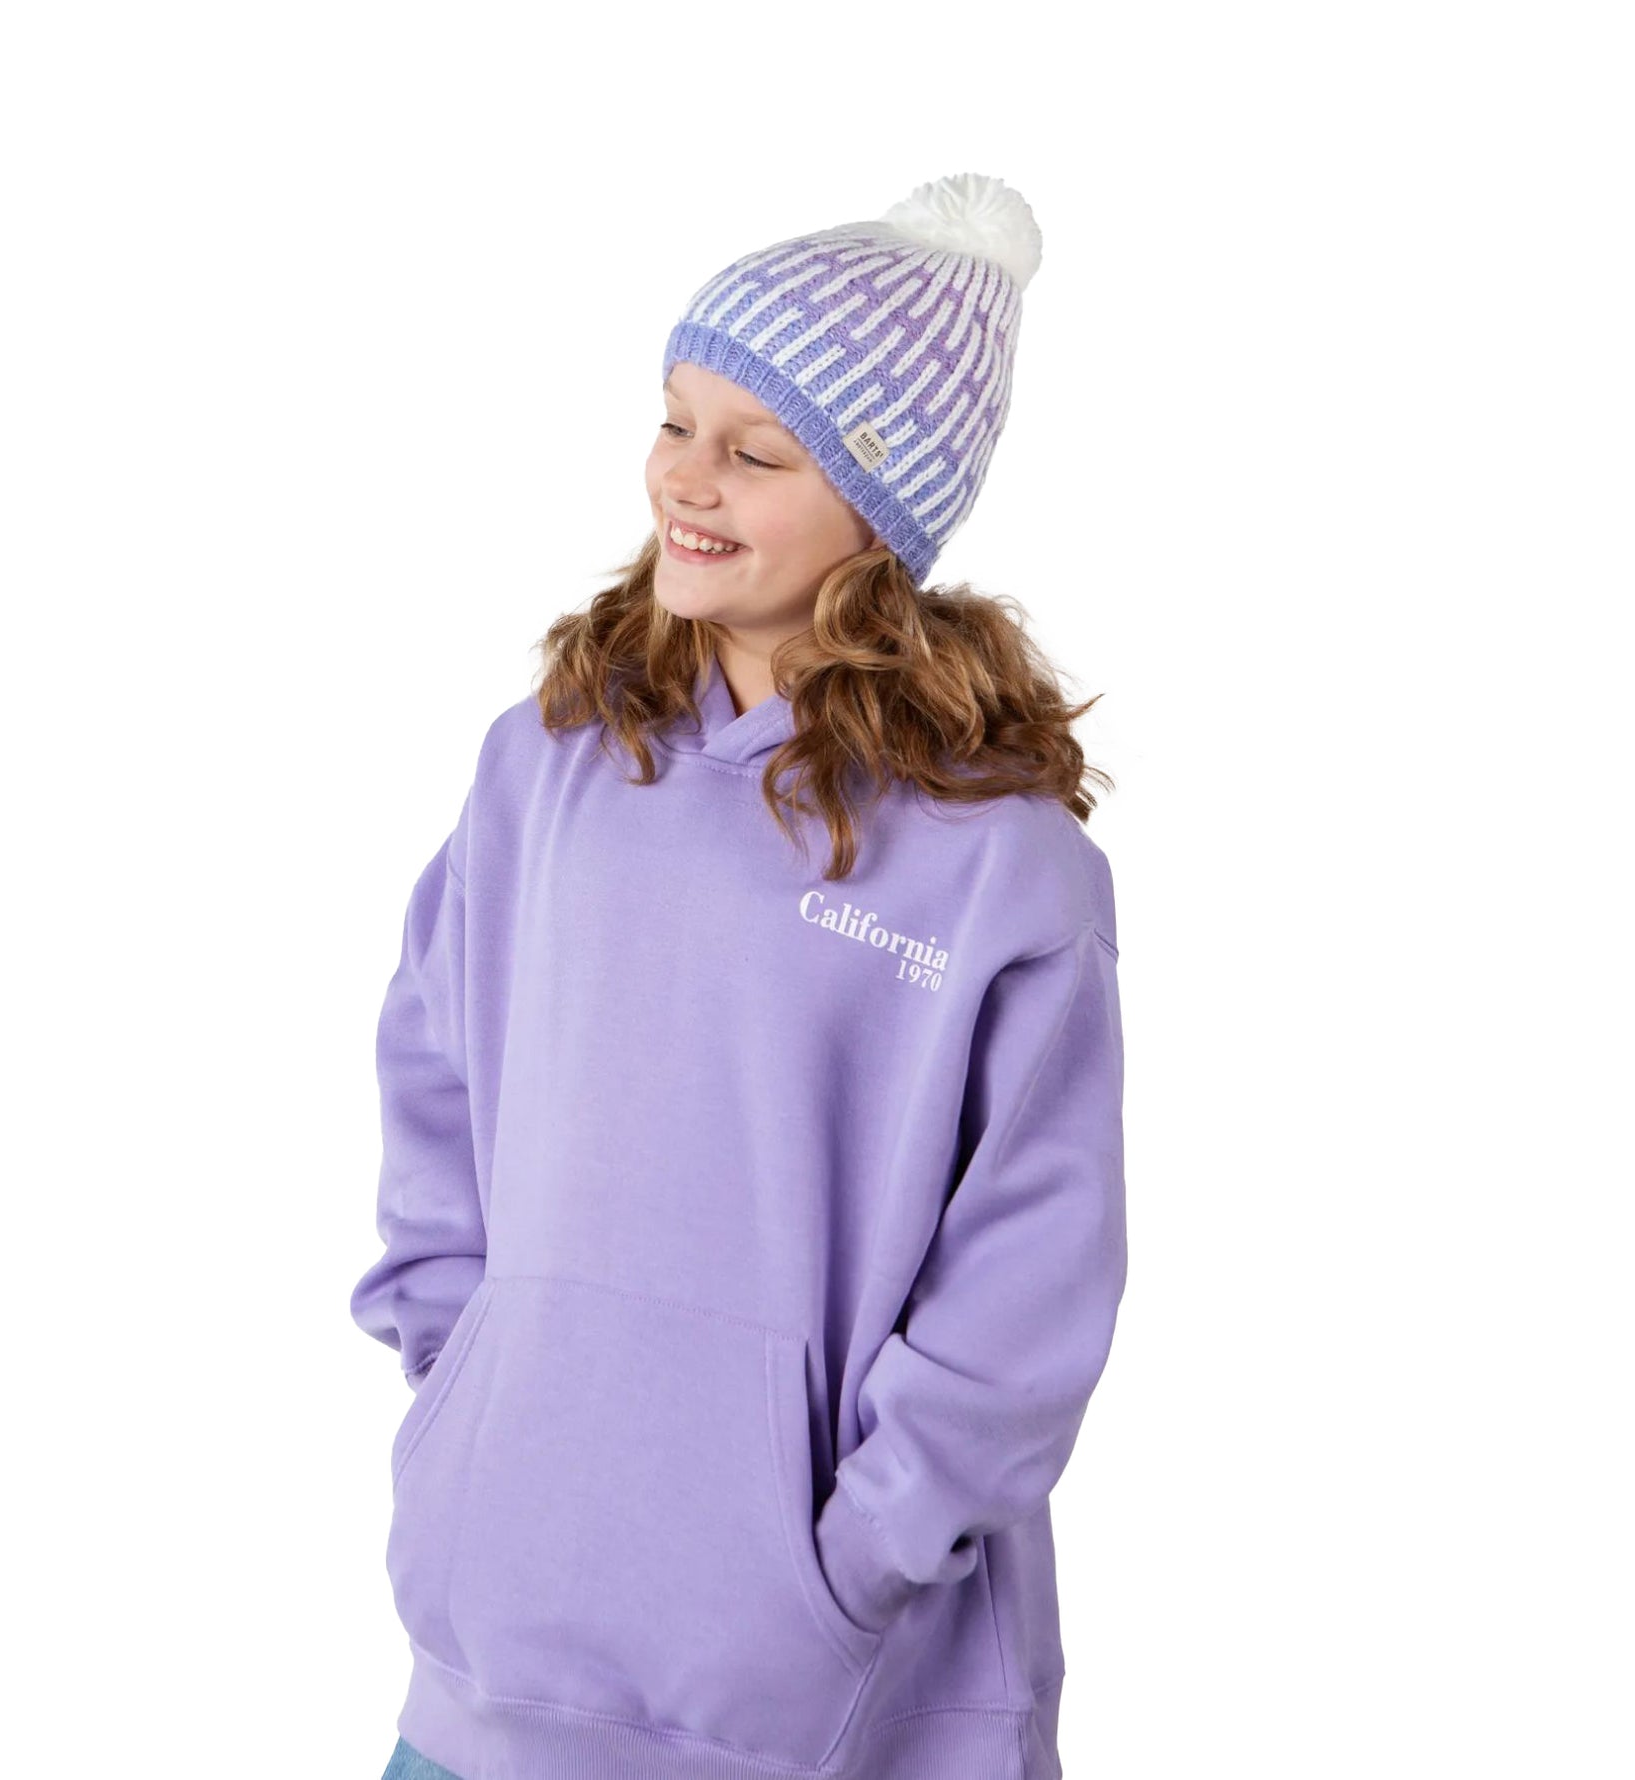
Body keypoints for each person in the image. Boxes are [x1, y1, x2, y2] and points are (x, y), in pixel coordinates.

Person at [351, 170, 1129, 1780]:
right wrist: (463, 1395)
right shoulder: (547, 770)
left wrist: (851, 1561)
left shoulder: (999, 867)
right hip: (497, 1667)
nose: (684, 479)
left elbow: (1030, 1277)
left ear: (882, 509)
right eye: (675, 420)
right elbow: (432, 1081)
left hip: (835, 1707)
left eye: (758, 453)